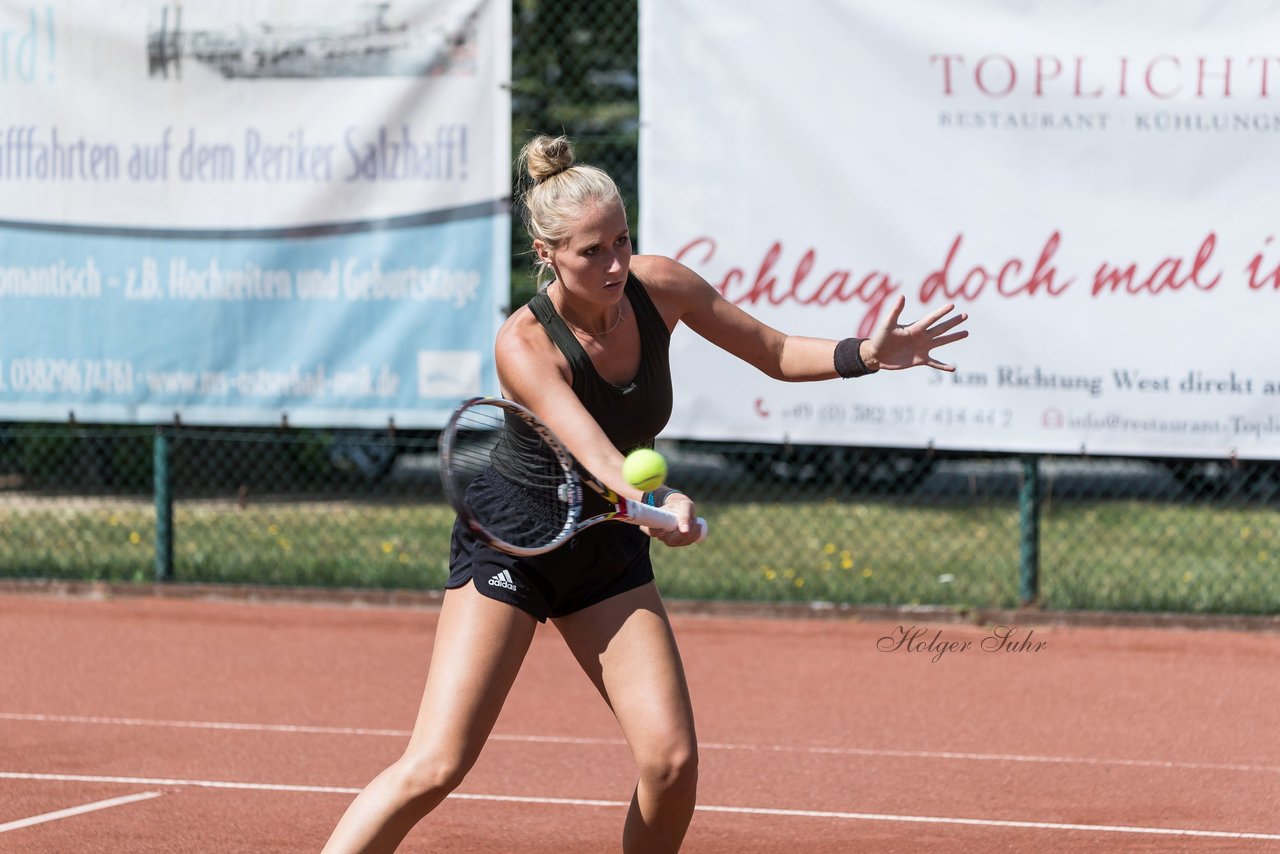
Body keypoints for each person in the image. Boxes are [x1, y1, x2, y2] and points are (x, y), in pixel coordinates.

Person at [321, 134, 968, 853]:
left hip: (607, 546)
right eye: (591, 250)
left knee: (671, 764)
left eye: (622, 239)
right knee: (437, 765)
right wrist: (665, 505)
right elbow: (595, 453)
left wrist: (867, 356)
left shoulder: (660, 287)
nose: (615, 264)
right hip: (519, 541)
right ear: (547, 253)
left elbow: (777, 353)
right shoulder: (524, 345)